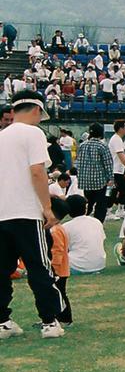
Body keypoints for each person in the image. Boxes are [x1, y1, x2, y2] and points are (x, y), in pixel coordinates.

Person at [0, 90, 66, 340]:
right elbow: (37, 172)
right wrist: (47, 207)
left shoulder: (2, 136)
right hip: (26, 213)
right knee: (40, 268)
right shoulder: (33, 134)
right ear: (37, 110)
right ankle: (49, 321)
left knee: (2, 269)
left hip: (2, 213)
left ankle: (3, 321)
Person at [76, 122, 114, 222]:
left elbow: (78, 162)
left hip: (85, 180)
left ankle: (85, 219)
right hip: (99, 180)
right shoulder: (102, 146)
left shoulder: (82, 145)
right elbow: (108, 164)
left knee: (88, 202)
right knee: (101, 204)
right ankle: (98, 223)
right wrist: (110, 178)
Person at [62, 194, 106, 274]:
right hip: (99, 265)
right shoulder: (96, 222)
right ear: (85, 209)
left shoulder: (66, 227)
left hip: (76, 266)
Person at [47, 197, 72, 326]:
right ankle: (56, 317)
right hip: (62, 269)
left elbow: (57, 251)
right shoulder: (60, 228)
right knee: (58, 293)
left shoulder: (54, 231)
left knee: (59, 294)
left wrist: (53, 268)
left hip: (58, 270)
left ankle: (65, 318)